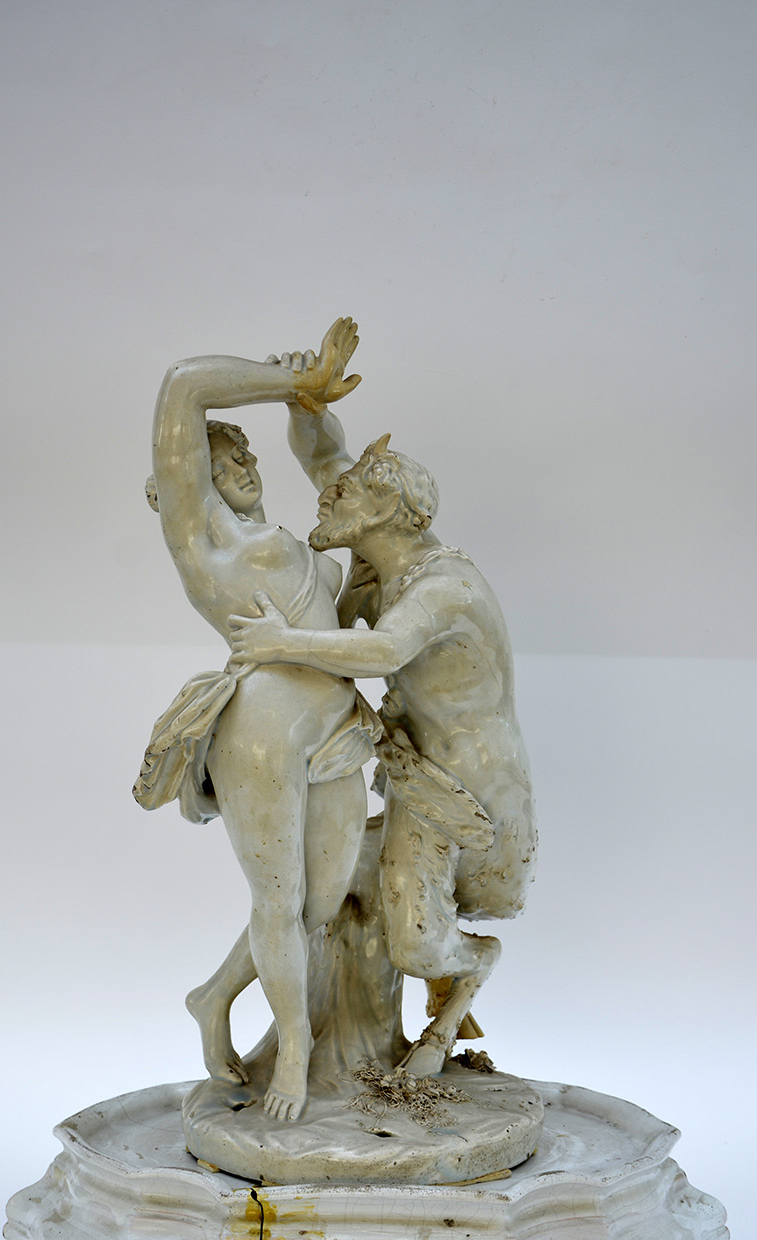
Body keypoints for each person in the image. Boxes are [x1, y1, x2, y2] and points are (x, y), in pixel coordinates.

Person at [229, 412, 537, 1075]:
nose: (327, 498)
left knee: (417, 946)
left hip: (464, 786)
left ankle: (473, 967)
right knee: (332, 891)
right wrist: (305, 405)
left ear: (383, 508)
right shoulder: (381, 546)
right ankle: (335, 1041)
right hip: (408, 768)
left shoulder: (443, 587)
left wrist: (280, 642)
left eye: (344, 494)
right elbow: (326, 455)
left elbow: (385, 650)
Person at [135, 319, 373, 1121]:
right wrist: (288, 381)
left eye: (245, 456)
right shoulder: (204, 542)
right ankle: (294, 1051)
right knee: (279, 901)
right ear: (187, 485)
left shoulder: (291, 543)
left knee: (318, 905)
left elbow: (329, 461)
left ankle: (213, 996)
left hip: (337, 724)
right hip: (262, 732)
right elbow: (186, 386)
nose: (243, 467)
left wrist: (310, 406)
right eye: (222, 461)